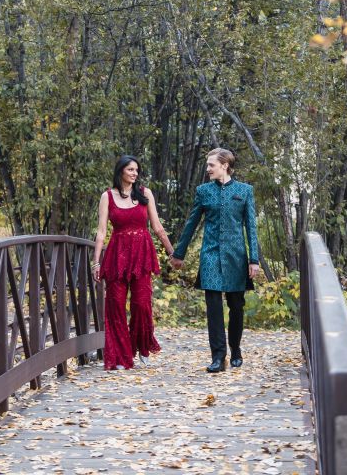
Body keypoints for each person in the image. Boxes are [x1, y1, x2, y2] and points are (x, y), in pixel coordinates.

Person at [171, 148, 261, 373]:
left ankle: (236, 349)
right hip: (210, 254)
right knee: (213, 306)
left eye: (211, 165)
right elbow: (192, 223)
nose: (208, 168)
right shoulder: (203, 191)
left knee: (236, 306)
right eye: (208, 165)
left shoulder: (244, 191)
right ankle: (218, 357)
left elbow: (251, 227)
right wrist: (179, 254)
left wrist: (254, 259)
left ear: (225, 165)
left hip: (236, 257)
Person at [92, 155, 174, 370]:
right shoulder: (107, 197)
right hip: (117, 256)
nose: (135, 173)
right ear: (121, 171)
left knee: (141, 304)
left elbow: (157, 227)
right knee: (115, 305)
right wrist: (96, 262)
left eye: (136, 170)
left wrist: (172, 253)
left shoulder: (145, 193)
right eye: (130, 169)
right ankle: (120, 355)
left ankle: (142, 348)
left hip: (141, 255)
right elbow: (101, 232)